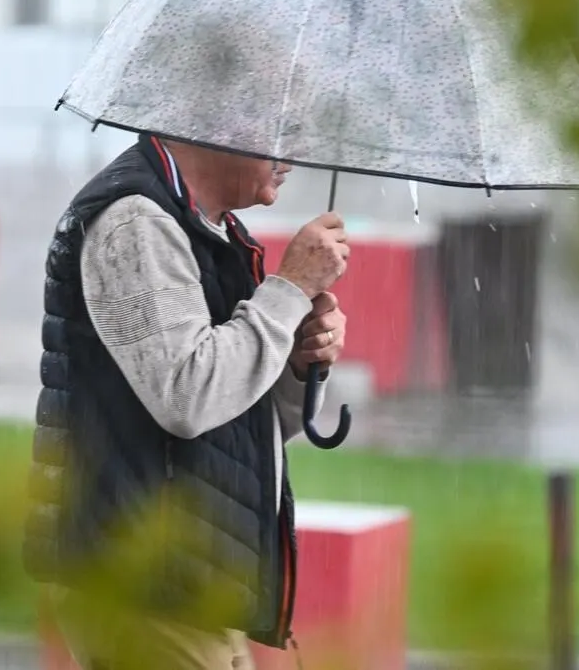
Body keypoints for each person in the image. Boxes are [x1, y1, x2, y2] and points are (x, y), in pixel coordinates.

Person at [23, 133, 350, 670]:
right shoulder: (136, 224)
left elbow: (239, 416)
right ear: (220, 119)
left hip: (190, 583)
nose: (290, 157)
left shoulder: (211, 231)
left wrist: (296, 359)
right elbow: (187, 396)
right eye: (278, 133)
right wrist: (288, 291)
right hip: (144, 584)